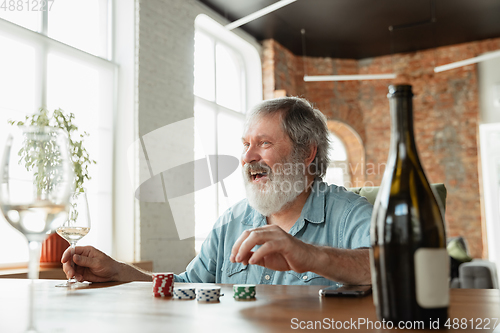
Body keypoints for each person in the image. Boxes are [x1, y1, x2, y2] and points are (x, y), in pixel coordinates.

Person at [62, 97, 373, 286]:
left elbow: (392, 269)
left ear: (307, 153)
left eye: (263, 143)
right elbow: (186, 287)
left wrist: (308, 254)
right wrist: (118, 272)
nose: (248, 157)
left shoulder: (350, 213)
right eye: (245, 145)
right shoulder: (232, 221)